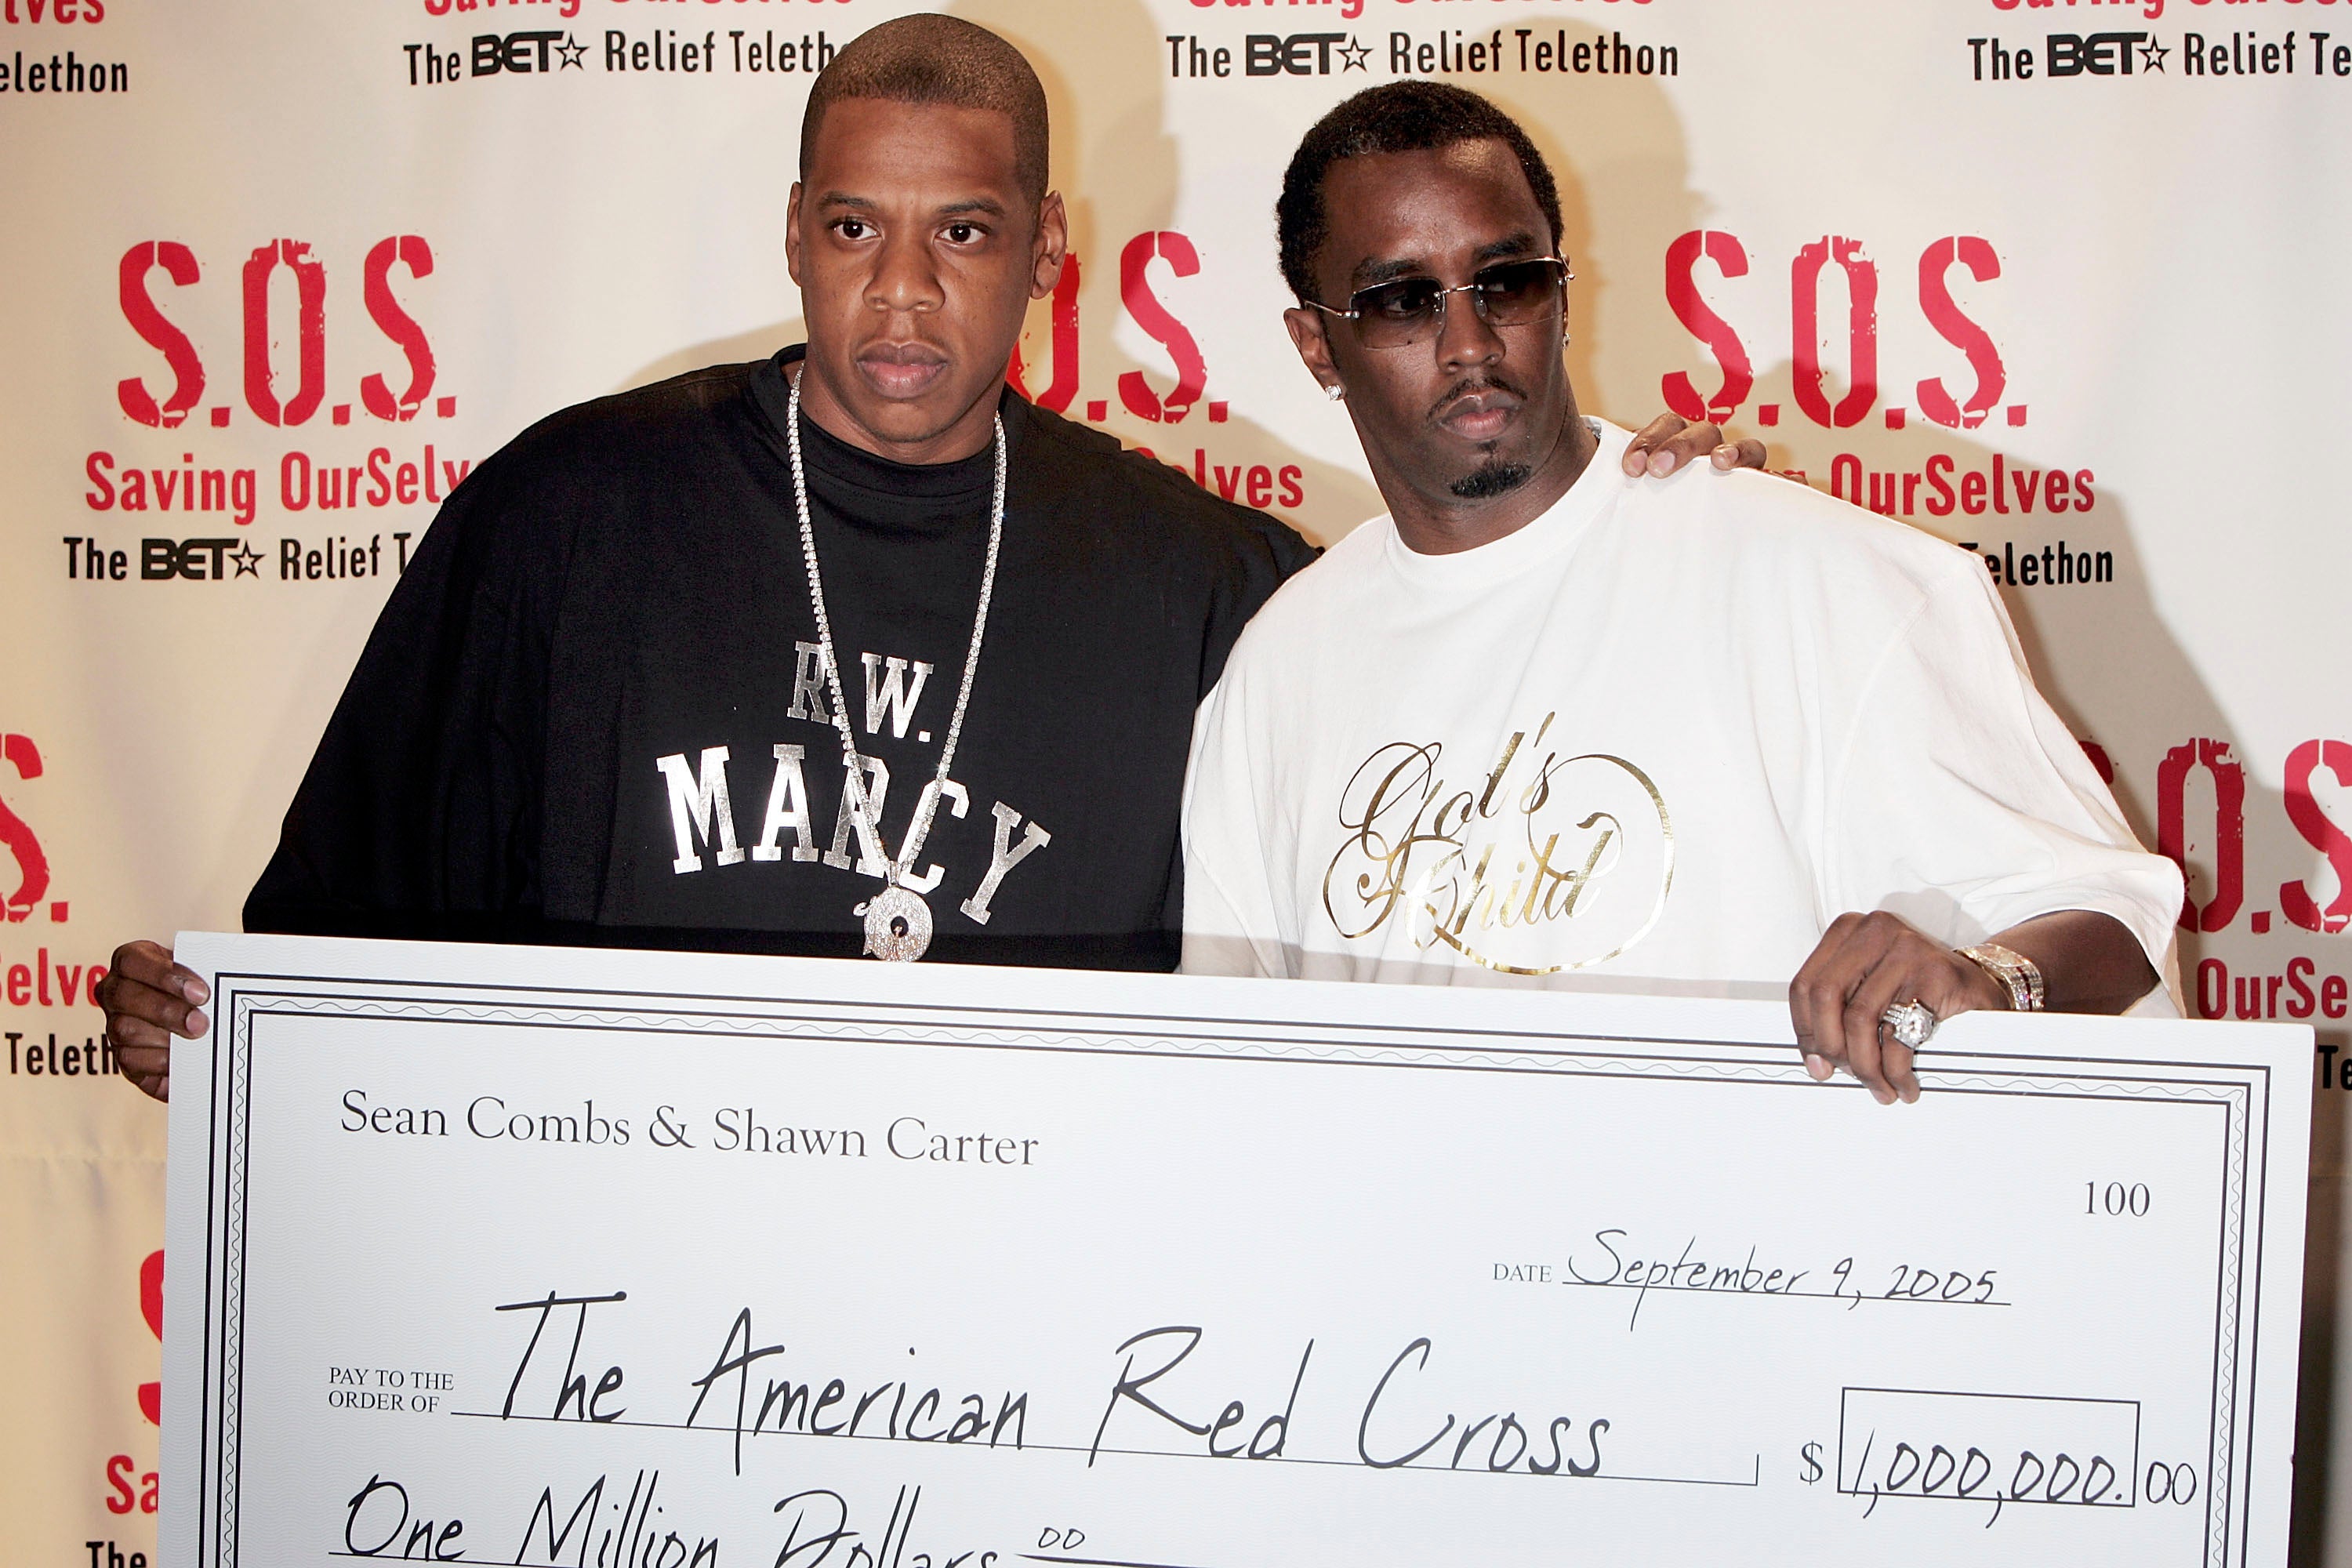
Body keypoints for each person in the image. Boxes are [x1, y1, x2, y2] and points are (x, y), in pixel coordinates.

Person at [100, 20, 1750, 1100]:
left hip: (1021, 1369)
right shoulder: (569, 519)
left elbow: (1470, 695)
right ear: (796, 227)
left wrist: (1642, 520)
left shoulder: (1206, 584)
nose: (902, 292)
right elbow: (336, 968)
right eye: (852, 230)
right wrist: (217, 1049)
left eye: (961, 233)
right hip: (609, 1352)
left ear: (1044, 248)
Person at [1180, 82, 2181, 1107]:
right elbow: (1227, 1065)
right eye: (1402, 299)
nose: (1471, 342)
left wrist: (1987, 979)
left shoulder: (1823, 579)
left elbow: (2111, 913)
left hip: (1754, 1260)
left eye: (1508, 280)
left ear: (1565, 294)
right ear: (1316, 346)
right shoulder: (1283, 665)